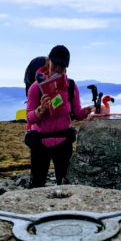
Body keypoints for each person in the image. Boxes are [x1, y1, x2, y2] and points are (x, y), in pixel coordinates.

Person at [26, 45, 93, 188]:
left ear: (66, 68)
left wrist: (87, 111)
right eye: (55, 64)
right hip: (40, 143)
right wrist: (40, 109)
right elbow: (29, 118)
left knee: (65, 185)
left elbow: (77, 113)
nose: (57, 69)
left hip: (63, 143)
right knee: (37, 185)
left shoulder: (70, 86)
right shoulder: (36, 87)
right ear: (48, 61)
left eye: (62, 67)